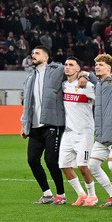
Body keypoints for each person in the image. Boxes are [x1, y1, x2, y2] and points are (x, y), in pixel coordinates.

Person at [20, 46, 67, 204]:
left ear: (46, 58)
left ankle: (61, 194)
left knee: (51, 160)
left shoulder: (57, 69)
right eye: (32, 53)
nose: (33, 55)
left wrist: (84, 77)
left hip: (52, 123)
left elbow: (73, 69)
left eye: (37, 53)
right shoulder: (30, 78)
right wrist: (24, 124)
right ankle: (47, 194)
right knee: (32, 160)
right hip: (34, 126)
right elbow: (27, 104)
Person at [88, 53, 112, 206]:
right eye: (96, 64)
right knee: (92, 165)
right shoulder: (98, 85)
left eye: (101, 65)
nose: (97, 67)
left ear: (109, 68)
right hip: (101, 134)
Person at [57, 57, 98, 206]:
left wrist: (85, 76)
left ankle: (92, 196)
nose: (67, 67)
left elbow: (100, 99)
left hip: (84, 132)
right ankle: (81, 194)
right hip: (68, 132)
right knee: (64, 165)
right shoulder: (62, 86)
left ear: (78, 69)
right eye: (66, 65)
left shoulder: (87, 86)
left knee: (82, 166)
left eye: (71, 65)